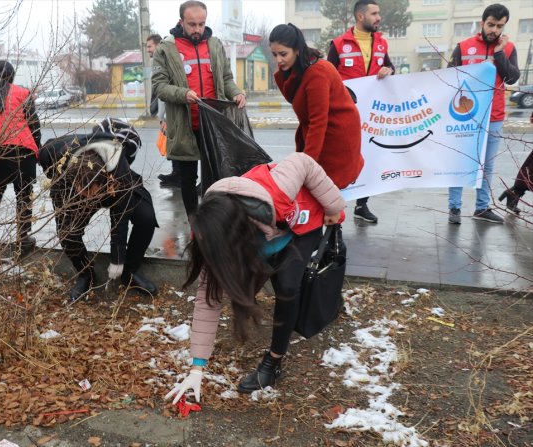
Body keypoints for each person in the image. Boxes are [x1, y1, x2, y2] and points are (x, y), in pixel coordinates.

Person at [164, 151, 346, 403]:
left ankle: (274, 361)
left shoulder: (279, 189)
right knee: (245, 289)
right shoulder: (212, 231)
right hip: (261, 239)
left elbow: (303, 161)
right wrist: (197, 368)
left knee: (287, 287)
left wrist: (334, 207)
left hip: (300, 225)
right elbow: (208, 300)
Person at [39, 119, 159, 302]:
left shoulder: (120, 173)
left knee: (146, 217)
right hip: (74, 184)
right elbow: (56, 193)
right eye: (84, 190)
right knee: (67, 232)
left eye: (91, 191)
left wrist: (117, 260)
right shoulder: (62, 165)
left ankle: (130, 272)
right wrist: (65, 217)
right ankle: (85, 274)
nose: (88, 197)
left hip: (115, 185)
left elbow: (120, 218)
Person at [152, 0, 246, 218]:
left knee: (217, 178)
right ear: (181, 21)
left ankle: (215, 222)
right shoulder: (166, 49)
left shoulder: (214, 45)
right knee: (187, 179)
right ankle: (195, 225)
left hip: (213, 125)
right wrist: (183, 94)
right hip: (184, 126)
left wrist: (236, 93)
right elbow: (159, 86)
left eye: (201, 24)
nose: (197, 29)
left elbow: (226, 78)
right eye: (192, 24)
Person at [446, 3, 519, 224]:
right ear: (482, 23)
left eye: (499, 26)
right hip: (466, 116)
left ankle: (481, 208)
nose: (494, 30)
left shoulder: (507, 48)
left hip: (494, 117)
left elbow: (512, 77)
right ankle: (454, 208)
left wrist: (499, 54)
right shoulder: (463, 46)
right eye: (490, 25)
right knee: (460, 161)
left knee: (487, 165)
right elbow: (449, 79)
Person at [270, 24, 363, 192]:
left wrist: (305, 167)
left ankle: (334, 217)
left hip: (336, 137)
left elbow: (318, 122)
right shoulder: (289, 73)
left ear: (297, 50)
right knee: (318, 194)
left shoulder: (317, 72)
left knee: (326, 193)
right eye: (274, 54)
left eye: (283, 54)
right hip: (319, 134)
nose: (278, 60)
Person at [326, 0, 395, 224]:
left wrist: (389, 69)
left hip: (372, 112)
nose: (378, 17)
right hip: (345, 112)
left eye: (379, 13)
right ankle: (333, 203)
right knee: (343, 156)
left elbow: (390, 66)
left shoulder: (382, 44)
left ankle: (362, 204)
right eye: (374, 13)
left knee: (369, 156)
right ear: (360, 16)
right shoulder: (338, 44)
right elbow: (327, 74)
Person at [0, 60, 41, 249]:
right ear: (11, 75)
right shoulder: (22, 93)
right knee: (24, 194)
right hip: (21, 151)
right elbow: (34, 125)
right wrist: (39, 149)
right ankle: (23, 238)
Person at [147, 34, 179, 189]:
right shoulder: (164, 59)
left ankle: (178, 175)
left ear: (158, 45)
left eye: (149, 46)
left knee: (174, 142)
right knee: (172, 142)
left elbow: (161, 92)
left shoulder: (161, 60)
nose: (148, 50)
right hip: (169, 111)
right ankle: (176, 173)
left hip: (169, 111)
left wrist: (161, 115)